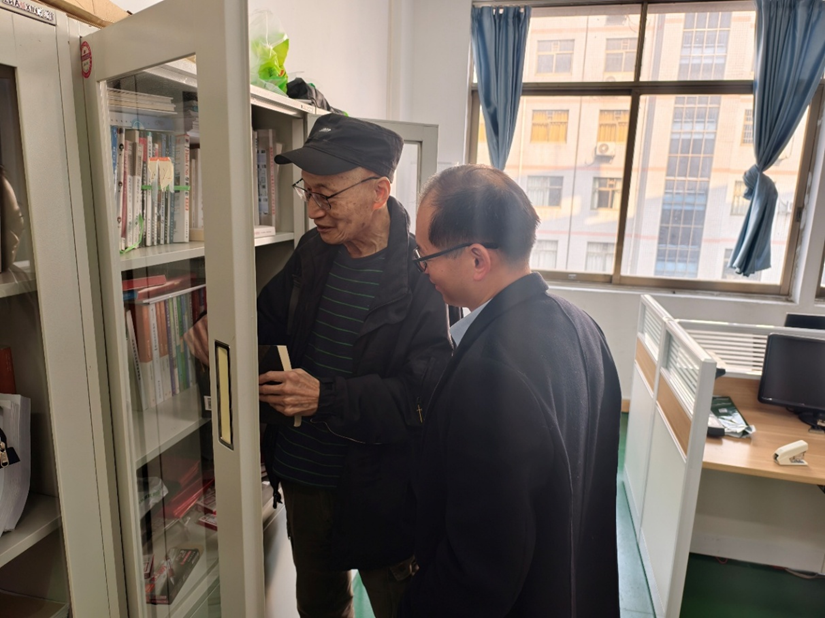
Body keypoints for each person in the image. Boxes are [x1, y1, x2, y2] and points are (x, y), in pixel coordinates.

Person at [185, 114, 452, 618]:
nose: (312, 211)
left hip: (379, 492)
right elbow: (263, 322)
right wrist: (216, 329)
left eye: (326, 196)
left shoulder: (421, 277)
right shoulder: (314, 251)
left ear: (379, 192)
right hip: (304, 481)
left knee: (402, 607)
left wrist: (325, 397)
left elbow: (421, 398)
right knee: (319, 607)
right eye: (306, 192)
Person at [399, 164, 622, 617]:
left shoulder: (490, 375)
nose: (422, 269)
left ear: (477, 259)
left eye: (426, 255)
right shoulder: (583, 326)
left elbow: (480, 568)